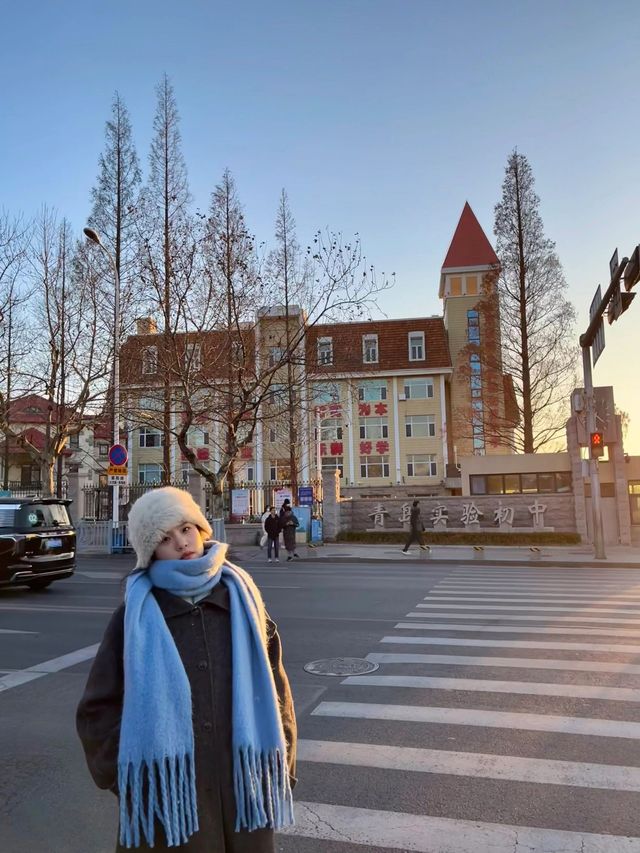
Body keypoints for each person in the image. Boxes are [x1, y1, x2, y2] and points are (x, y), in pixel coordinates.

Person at [76, 487, 296, 852]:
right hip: (168, 811)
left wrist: (281, 759)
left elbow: (277, 690)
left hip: (245, 795)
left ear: (200, 527)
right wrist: (135, 779)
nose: (181, 543)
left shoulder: (243, 600)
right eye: (165, 538)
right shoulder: (137, 616)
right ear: (150, 552)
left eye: (185, 529)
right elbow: (96, 710)